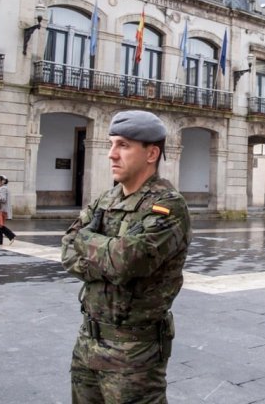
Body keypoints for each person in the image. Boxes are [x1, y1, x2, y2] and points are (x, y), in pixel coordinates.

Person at [61, 110, 191, 403]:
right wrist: (107, 253)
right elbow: (67, 250)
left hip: (135, 354)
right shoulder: (106, 199)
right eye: (111, 144)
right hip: (88, 342)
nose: (111, 154)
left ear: (151, 153)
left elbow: (127, 262)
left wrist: (89, 243)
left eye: (123, 145)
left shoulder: (167, 206)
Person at [0, 175, 16, 246]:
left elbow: (3, 199)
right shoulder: (4, 188)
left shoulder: (3, 189)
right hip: (2, 209)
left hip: (2, 209)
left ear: (3, 181)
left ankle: (11, 235)